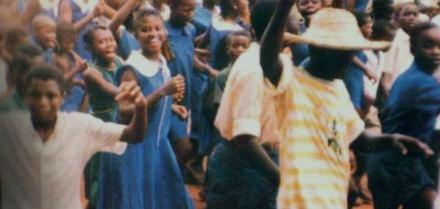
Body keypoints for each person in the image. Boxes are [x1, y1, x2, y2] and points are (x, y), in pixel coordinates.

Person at [260, 3, 433, 209]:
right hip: (300, 199)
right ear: (318, 49)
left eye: (350, 53)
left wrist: (390, 140)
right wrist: (285, 6)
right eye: (342, 53)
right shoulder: (292, 81)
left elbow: (359, 138)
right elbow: (268, 58)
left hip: (333, 196)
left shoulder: (338, 88)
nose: (349, 60)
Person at [0, 63, 148, 209]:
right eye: (35, 95)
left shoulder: (80, 126)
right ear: (26, 97)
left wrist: (141, 107)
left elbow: (133, 135)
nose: (43, 102)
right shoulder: (9, 128)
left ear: (62, 97)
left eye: (51, 95)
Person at [97, 9, 193, 209]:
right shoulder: (132, 68)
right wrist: (162, 92)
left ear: (165, 33)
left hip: (157, 147)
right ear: (136, 35)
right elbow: (125, 111)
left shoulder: (161, 62)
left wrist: (171, 106)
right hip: (134, 151)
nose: (152, 34)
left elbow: (149, 97)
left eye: (157, 28)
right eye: (145, 30)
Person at [205, 1, 292, 208]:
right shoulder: (252, 69)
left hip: (262, 158)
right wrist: (281, 179)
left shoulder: (278, 61)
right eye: (287, 23)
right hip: (243, 165)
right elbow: (244, 139)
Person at [368, 22, 440, 209]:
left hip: (394, 161)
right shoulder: (421, 83)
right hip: (394, 165)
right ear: (413, 49)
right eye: (428, 46)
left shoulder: (412, 76)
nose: (436, 52)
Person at [52, 21, 89, 112]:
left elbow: (68, 79)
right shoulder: (55, 58)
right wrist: (76, 70)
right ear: (57, 41)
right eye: (67, 43)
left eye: (73, 43)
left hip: (72, 92)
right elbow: (58, 82)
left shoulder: (67, 54)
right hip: (63, 98)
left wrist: (77, 82)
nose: (71, 46)